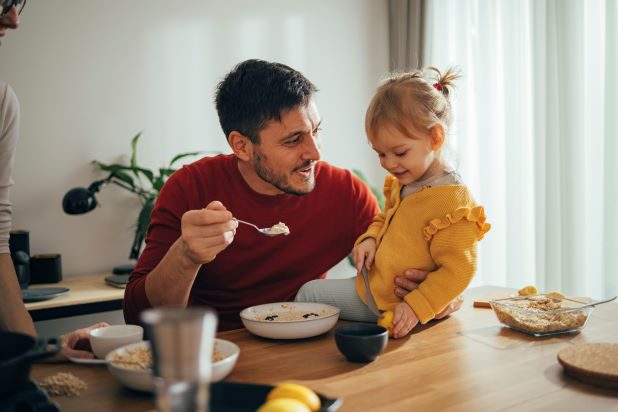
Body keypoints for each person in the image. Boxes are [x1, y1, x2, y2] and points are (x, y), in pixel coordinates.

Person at [124, 59, 464, 330]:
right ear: (241, 146)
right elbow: (138, 316)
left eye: (316, 131)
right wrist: (186, 255)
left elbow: (411, 262)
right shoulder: (190, 189)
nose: (315, 152)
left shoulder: (345, 193)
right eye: (293, 140)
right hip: (214, 355)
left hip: (308, 352)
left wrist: (440, 295)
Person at [295, 68, 490, 338]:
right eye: (380, 154)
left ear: (435, 138)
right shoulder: (406, 182)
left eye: (399, 152)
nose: (388, 163)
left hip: (388, 301)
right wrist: (370, 239)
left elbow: (460, 269)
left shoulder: (453, 202)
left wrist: (415, 307)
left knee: (308, 294)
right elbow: (385, 219)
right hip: (375, 287)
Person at [1, 0, 108, 360]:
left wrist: (39, 353)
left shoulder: (2, 103)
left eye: (16, 3)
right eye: (3, 2)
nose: (13, 20)